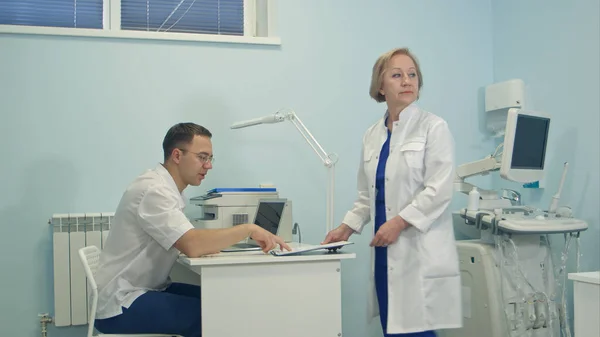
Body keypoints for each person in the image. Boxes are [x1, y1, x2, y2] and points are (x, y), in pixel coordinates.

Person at [93, 122, 291, 337]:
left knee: (222, 300)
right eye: (202, 157)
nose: (209, 166)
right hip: (122, 302)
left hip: (145, 289)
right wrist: (248, 229)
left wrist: (214, 242)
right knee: (215, 315)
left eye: (210, 158)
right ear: (177, 155)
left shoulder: (168, 190)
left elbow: (187, 240)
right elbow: (192, 244)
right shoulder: (154, 190)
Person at [323, 48, 462, 336]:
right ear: (380, 86)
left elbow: (439, 189)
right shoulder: (372, 135)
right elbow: (367, 195)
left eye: (412, 75)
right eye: (397, 75)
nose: (407, 81)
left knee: (418, 330)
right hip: (386, 251)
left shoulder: (433, 127)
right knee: (393, 328)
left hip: (418, 249)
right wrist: (346, 228)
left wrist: (398, 223)